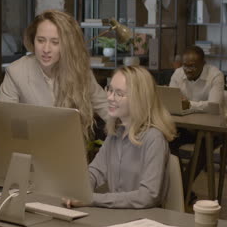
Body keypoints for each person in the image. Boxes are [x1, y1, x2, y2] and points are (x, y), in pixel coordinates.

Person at [0, 9, 108, 190]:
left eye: (55, 42)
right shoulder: (17, 72)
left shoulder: (80, 72)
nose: (46, 49)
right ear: (32, 40)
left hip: (70, 166)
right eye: (40, 40)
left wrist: (141, 132)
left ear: (67, 45)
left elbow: (109, 109)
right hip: (31, 171)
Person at [65, 66, 177, 209]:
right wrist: (78, 191)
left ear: (139, 98)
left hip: (144, 222)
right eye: (110, 90)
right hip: (118, 217)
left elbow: (147, 196)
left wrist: (92, 199)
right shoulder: (116, 133)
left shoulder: (154, 138)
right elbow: (95, 172)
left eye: (119, 93)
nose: (110, 98)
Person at [168, 45, 225, 201]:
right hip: (186, 126)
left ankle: (181, 189)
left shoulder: (215, 75)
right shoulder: (177, 74)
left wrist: (189, 104)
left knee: (205, 143)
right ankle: (181, 188)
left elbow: (213, 106)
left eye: (193, 66)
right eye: (185, 65)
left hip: (213, 129)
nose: (188, 69)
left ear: (203, 64)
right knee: (167, 138)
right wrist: (197, 105)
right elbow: (171, 102)